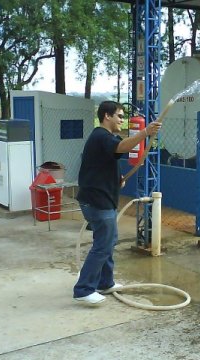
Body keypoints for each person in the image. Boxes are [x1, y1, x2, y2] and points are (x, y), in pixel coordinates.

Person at [73, 101, 161, 305]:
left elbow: (106, 160)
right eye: (119, 116)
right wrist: (145, 133)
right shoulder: (101, 136)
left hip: (100, 198)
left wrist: (117, 177)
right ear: (107, 116)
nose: (122, 120)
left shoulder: (104, 138)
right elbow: (121, 147)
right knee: (103, 244)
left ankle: (105, 282)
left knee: (108, 241)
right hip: (97, 201)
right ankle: (83, 289)